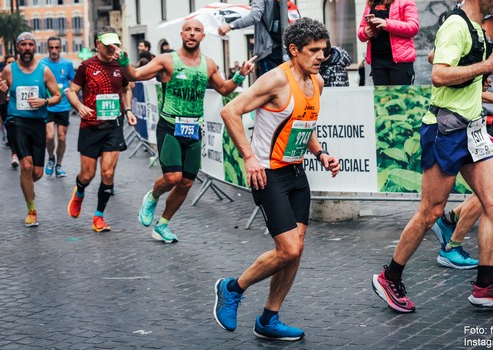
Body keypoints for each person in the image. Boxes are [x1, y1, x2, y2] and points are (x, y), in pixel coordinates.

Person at [371, 0, 493, 312]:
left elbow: (467, 82)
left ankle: (484, 285)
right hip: (444, 129)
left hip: (473, 128)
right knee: (431, 211)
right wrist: (486, 67)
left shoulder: (478, 30)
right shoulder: (456, 25)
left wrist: (491, 98)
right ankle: (390, 276)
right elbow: (439, 76)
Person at [214, 18, 340, 341]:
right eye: (313, 51)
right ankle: (231, 289)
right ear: (294, 50)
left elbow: (304, 125)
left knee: (296, 249)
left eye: (323, 51)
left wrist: (320, 154)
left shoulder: (318, 83)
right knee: (287, 249)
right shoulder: (275, 81)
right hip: (269, 175)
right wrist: (248, 157)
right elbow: (230, 111)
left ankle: (269, 318)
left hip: (297, 173)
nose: (320, 57)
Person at [119, 19, 255, 243]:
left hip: (193, 130)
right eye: (188, 30)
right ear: (181, 34)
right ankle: (152, 197)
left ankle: (162, 224)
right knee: (173, 177)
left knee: (186, 183)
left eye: (197, 31)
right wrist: (124, 61)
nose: (192, 34)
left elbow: (224, 89)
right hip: (170, 126)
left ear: (203, 36)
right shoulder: (166, 60)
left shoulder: (209, 64)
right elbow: (134, 75)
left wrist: (240, 75)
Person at [431, 0, 493, 269]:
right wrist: (492, 96)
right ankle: (451, 244)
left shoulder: (488, 42)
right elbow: (440, 66)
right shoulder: (469, 33)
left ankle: (449, 222)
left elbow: (471, 85)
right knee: (491, 194)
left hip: (481, 121)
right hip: (464, 123)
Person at [66, 27, 137, 233]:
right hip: (90, 127)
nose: (110, 48)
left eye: (114, 43)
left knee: (108, 173)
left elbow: (125, 88)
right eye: (106, 44)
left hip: (113, 126)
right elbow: (71, 91)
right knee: (88, 175)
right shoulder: (86, 66)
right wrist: (79, 106)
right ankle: (79, 192)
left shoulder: (120, 65)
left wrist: (129, 109)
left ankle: (99, 216)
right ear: (98, 43)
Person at [0, 32, 61, 226]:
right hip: (16, 122)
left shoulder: (44, 71)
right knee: (25, 165)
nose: (27, 48)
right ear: (17, 47)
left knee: (37, 173)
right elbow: (1, 101)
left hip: (38, 123)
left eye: (30, 44)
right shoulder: (8, 71)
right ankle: (32, 210)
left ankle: (27, 184)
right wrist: (1, 93)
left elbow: (57, 96)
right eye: (23, 44)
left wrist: (44, 101)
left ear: (35, 47)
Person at [357, 0, 419, 86]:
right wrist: (365, 32)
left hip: (399, 62)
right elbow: (360, 33)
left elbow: (413, 27)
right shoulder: (371, 2)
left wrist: (386, 24)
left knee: (400, 101)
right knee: (382, 103)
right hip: (377, 61)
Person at [217, 0, 283, 77]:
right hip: (282, 47)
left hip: (267, 50)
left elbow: (254, 16)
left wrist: (230, 26)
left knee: (268, 88)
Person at [41, 37, 76, 178]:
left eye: (57, 47)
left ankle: (59, 165)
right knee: (49, 136)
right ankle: (51, 158)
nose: (54, 50)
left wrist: (71, 91)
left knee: (61, 137)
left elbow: (75, 82)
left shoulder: (67, 64)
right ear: (47, 48)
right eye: (51, 47)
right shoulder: (42, 64)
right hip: (48, 105)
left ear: (61, 48)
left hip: (63, 106)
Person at [0, 54, 19, 168]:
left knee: (18, 129)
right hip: (5, 106)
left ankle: (17, 153)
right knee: (10, 130)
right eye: (9, 62)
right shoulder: (2, 77)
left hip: (17, 107)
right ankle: (14, 153)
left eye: (13, 62)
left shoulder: (21, 75)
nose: (11, 64)